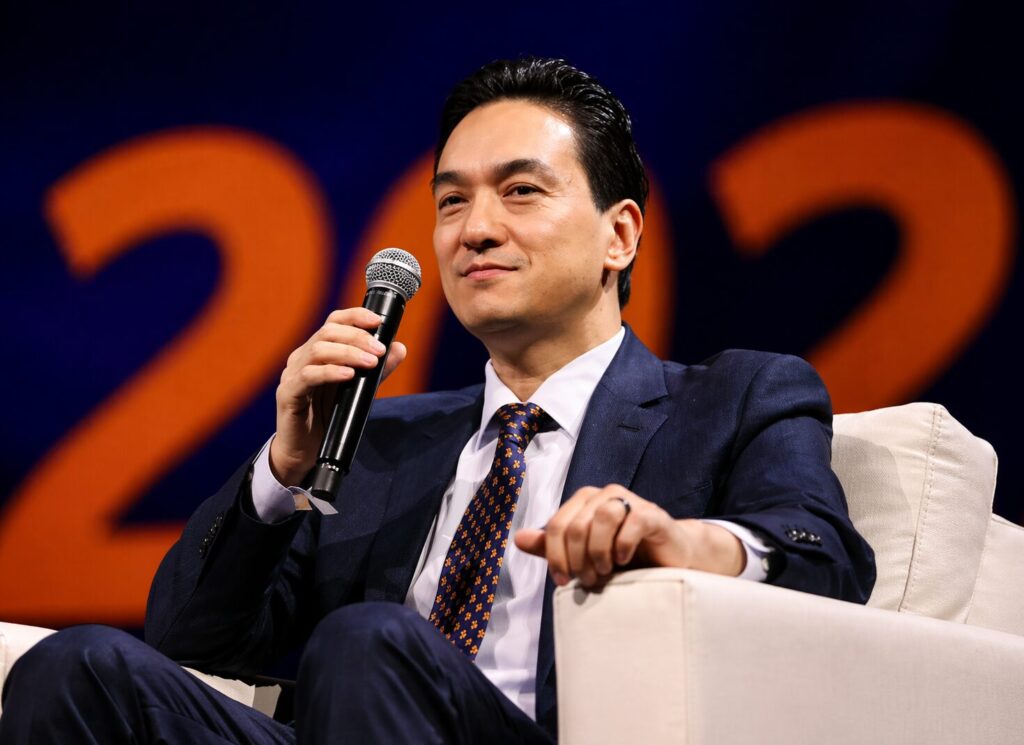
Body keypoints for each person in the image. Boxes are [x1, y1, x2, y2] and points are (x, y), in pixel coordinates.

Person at [0, 57, 875, 744]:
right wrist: (283, 468)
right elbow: (191, 641)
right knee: (73, 667)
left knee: (368, 641)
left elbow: (827, 560)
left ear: (620, 235)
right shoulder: (378, 436)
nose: (475, 229)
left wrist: (683, 543)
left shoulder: (736, 395)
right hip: (353, 722)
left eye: (520, 190)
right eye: (451, 201)